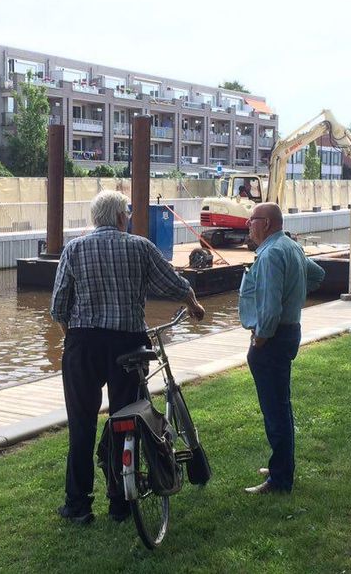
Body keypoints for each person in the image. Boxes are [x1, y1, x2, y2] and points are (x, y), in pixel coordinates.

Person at [50, 190, 205, 523]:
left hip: (83, 345)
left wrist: (74, 338)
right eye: (128, 215)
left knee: (81, 426)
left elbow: (58, 307)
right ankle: (122, 501)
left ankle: (77, 505)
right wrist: (194, 304)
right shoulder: (140, 247)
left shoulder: (74, 249)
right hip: (128, 346)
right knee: (126, 420)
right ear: (121, 217)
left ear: (96, 218)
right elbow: (174, 284)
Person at [239, 203, 325, 494]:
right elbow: (316, 275)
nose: (249, 224)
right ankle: (282, 466)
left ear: (268, 223)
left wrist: (260, 337)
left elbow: (271, 307)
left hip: (272, 340)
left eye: (253, 220)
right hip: (289, 333)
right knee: (281, 404)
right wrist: (295, 292)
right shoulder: (290, 246)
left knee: (274, 409)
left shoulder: (271, 254)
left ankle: (279, 480)